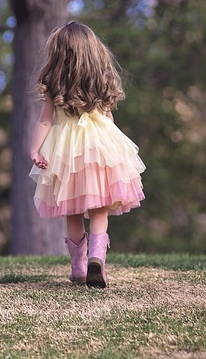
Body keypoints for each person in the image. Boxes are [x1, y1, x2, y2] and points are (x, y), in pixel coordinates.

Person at [29, 21, 145, 288]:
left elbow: (44, 122)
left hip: (67, 151)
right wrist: (113, 152)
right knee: (99, 206)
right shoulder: (101, 80)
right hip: (100, 146)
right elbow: (108, 118)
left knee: (71, 209)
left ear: (60, 54)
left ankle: (79, 268)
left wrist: (35, 149)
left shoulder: (54, 83)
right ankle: (96, 257)